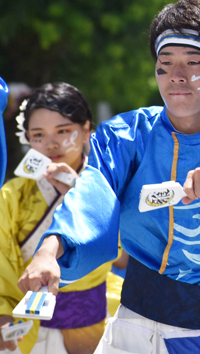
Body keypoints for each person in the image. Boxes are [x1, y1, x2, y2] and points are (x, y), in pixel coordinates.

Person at [18, 0, 200, 354]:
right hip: (133, 326)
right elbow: (92, 193)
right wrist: (49, 249)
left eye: (193, 63)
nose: (177, 77)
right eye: (165, 65)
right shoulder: (127, 134)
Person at [0, 83, 118, 354]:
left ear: (87, 129)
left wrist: (83, 198)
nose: (51, 144)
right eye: (38, 135)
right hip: (23, 329)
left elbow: (122, 257)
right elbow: (1, 265)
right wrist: (3, 316)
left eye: (63, 131)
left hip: (92, 326)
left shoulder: (108, 186)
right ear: (28, 138)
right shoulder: (12, 196)